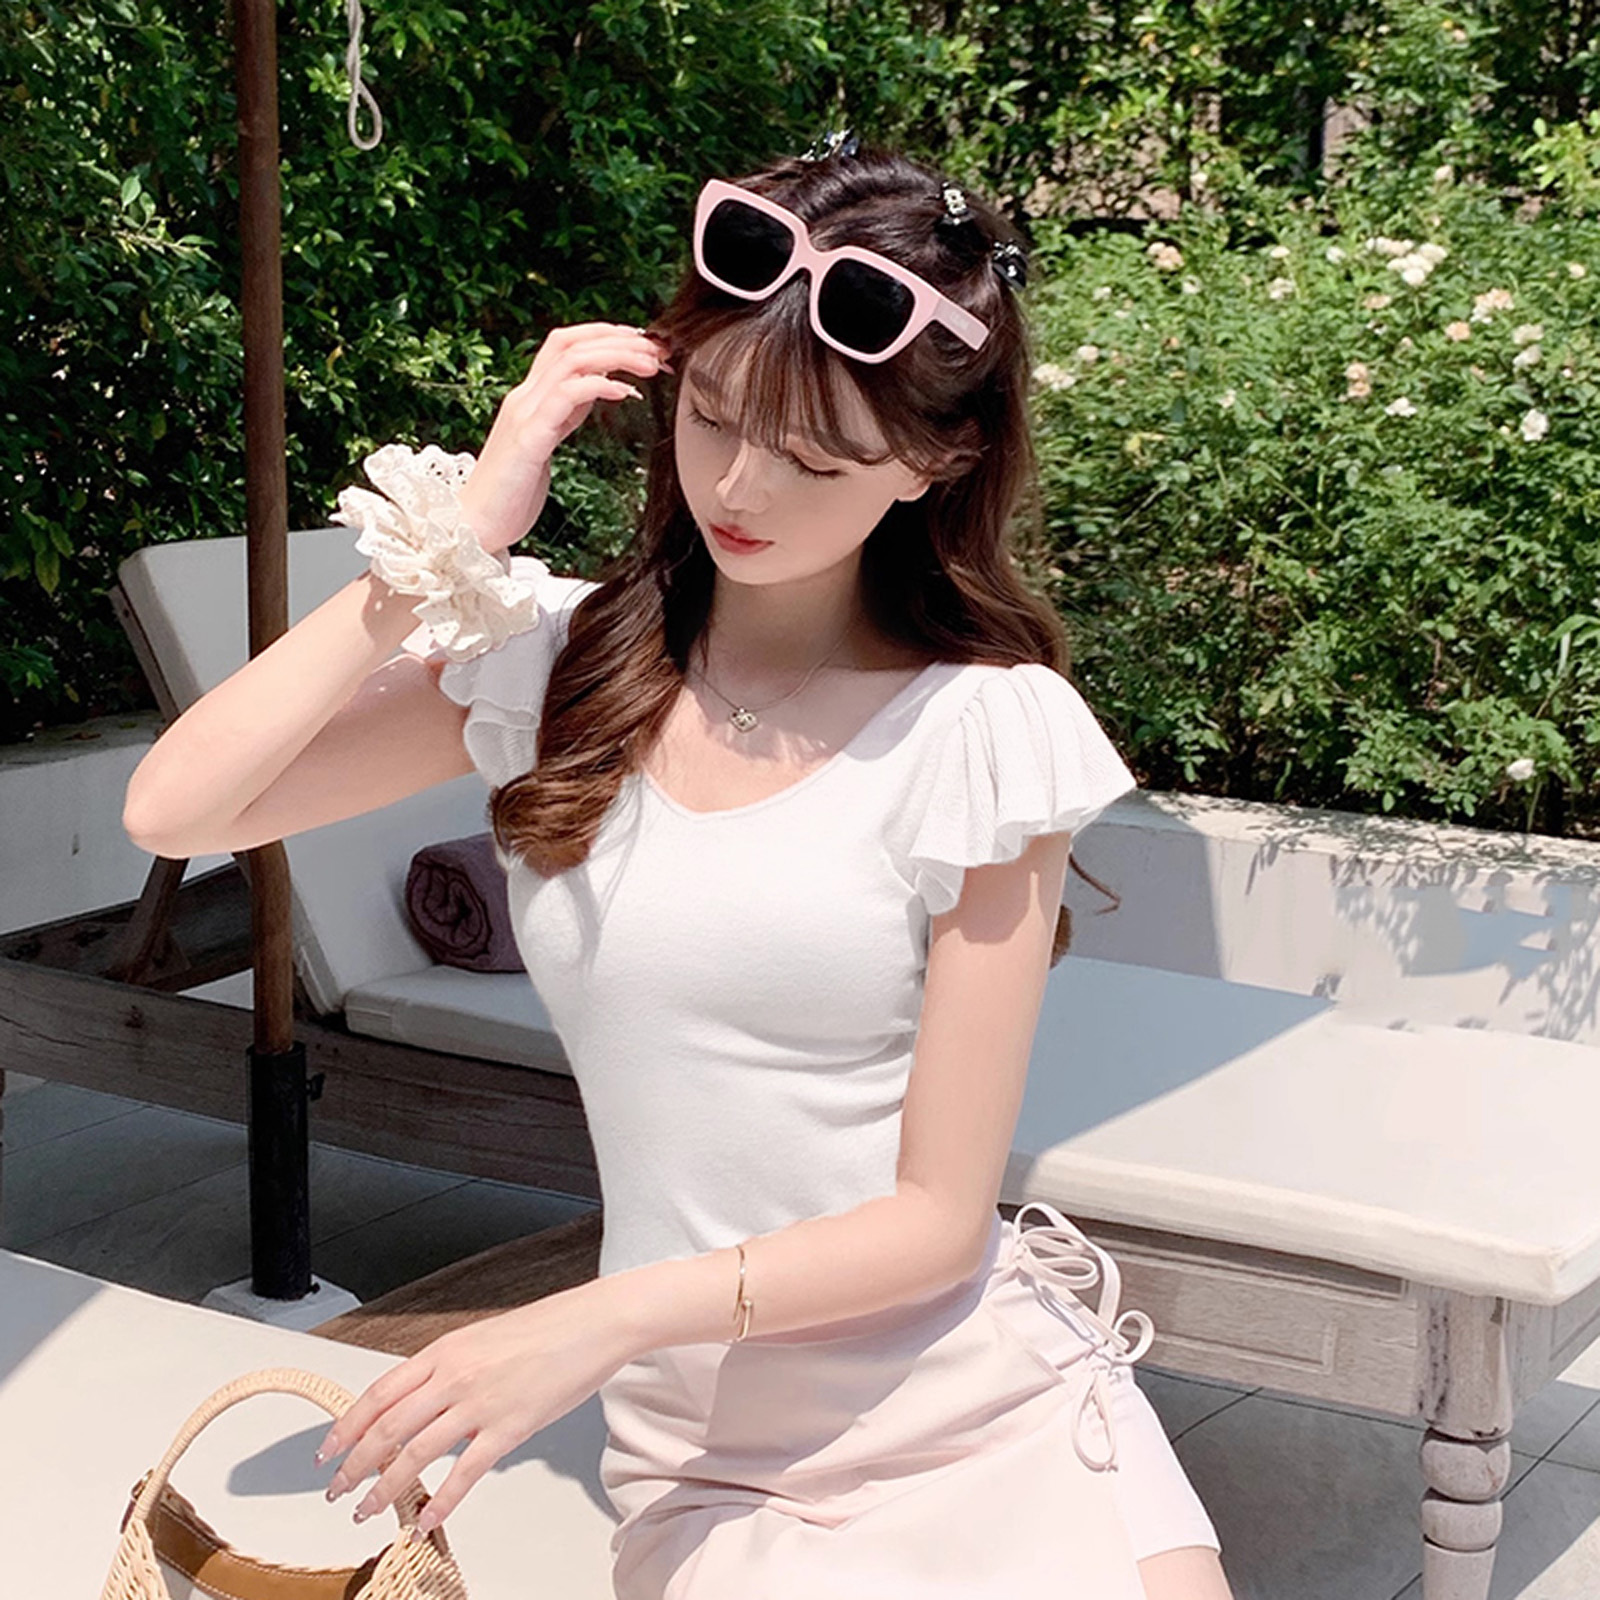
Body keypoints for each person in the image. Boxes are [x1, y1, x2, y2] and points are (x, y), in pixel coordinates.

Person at [123, 134, 1233, 1600]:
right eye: (710, 415)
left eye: (817, 456)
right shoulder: (556, 667)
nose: (742, 482)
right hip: (715, 1453)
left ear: (936, 460)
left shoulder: (986, 732)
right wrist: (446, 548)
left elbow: (935, 1222)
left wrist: (595, 1318)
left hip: (982, 1412)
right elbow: (178, 808)